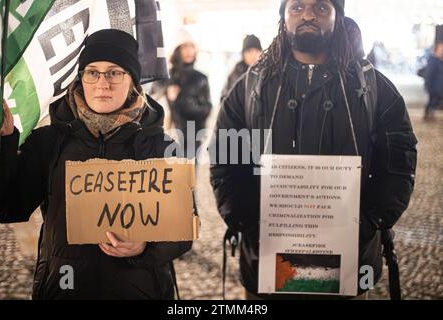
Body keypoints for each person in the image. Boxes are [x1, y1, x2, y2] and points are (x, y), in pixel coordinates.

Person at [210, 0, 417, 300]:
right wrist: (247, 220)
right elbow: (225, 156)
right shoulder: (251, 85)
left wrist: (369, 221)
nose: (307, 14)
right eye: (297, 7)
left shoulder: (371, 84)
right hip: (265, 257)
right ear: (283, 16)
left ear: (337, 16)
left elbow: (399, 158)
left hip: (350, 258)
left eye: (320, 7)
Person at [0, 29, 192, 300]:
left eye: (114, 72)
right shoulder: (49, 142)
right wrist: (3, 143)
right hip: (64, 289)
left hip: (140, 290)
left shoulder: (161, 146)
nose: (102, 83)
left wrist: (146, 246)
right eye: (92, 72)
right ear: (81, 78)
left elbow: (185, 228)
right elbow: (5, 206)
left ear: (132, 80)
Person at [164, 29, 212, 160]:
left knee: (189, 177)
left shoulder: (200, 78)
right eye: (185, 46)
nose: (189, 50)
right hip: (170, 135)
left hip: (193, 135)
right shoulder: (167, 77)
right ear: (177, 50)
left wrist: (183, 101)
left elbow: (207, 108)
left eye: (192, 46)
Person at [221, 34, 263, 100]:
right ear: (243, 54)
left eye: (257, 51)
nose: (253, 55)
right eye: (249, 51)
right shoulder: (235, 74)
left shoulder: (265, 73)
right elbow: (225, 99)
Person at [424, 41, 443, 120]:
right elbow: (429, 74)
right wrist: (427, 85)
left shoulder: (439, 60)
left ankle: (429, 115)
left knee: (433, 100)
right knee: (432, 100)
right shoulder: (433, 60)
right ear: (436, 49)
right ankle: (428, 115)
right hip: (433, 86)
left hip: (438, 86)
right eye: (441, 49)